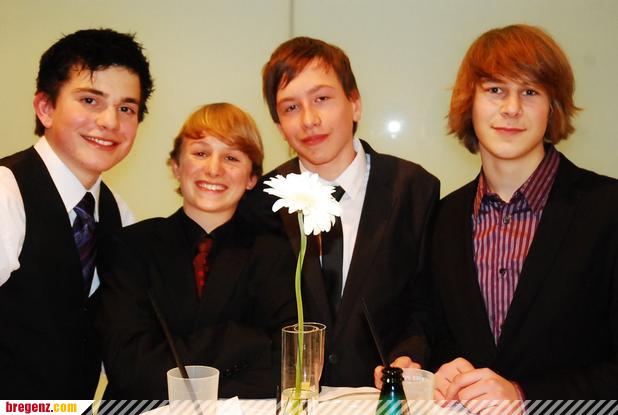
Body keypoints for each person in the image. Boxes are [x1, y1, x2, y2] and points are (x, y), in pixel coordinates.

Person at [381, 24, 618, 407]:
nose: (511, 108)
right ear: (469, 103)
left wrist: (525, 396)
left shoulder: (607, 209)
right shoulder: (445, 217)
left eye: (530, 91)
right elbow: (434, 324)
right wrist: (432, 364)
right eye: (495, 90)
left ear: (553, 107)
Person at [241, 37, 440, 387]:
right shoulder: (261, 201)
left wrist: (411, 355)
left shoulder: (414, 188)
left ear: (355, 104)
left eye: (322, 99)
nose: (309, 120)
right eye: (291, 108)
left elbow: (428, 301)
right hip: (292, 398)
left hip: (381, 398)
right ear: (279, 127)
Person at [97, 103, 296, 399]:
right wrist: (239, 340)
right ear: (176, 166)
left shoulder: (276, 254)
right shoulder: (131, 247)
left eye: (231, 157)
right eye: (201, 153)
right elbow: (130, 370)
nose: (214, 169)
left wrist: (179, 367)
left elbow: (286, 370)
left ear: (252, 178)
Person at [0, 28, 153, 398]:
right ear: (45, 108)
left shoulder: (118, 213)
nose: (110, 122)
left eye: (126, 108)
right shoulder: (6, 192)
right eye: (90, 100)